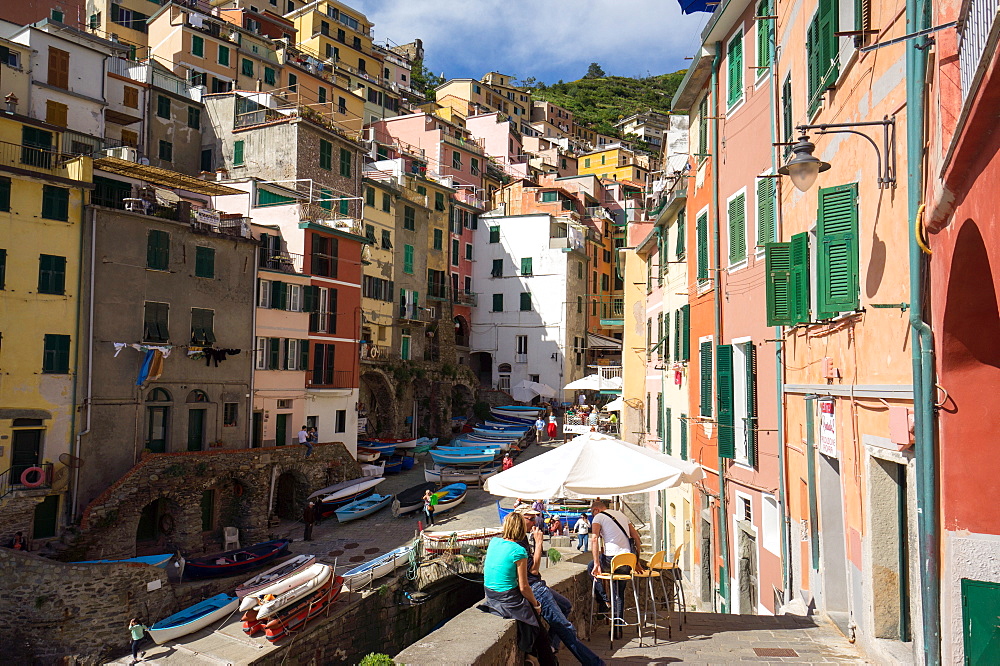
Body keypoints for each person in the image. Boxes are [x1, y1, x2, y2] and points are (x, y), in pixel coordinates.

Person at [519, 515, 605, 666]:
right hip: (536, 588)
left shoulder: (523, 539)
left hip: (538, 585)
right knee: (566, 628)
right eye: (530, 518)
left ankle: (551, 646)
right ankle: (594, 663)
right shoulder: (519, 544)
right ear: (520, 520)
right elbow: (533, 570)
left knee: (566, 606)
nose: (535, 521)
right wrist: (539, 543)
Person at [481, 512, 554, 665]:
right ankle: (542, 659)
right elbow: (524, 586)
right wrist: (536, 604)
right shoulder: (518, 551)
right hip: (507, 597)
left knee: (530, 621)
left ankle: (531, 655)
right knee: (538, 626)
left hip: (490, 594)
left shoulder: (494, 542)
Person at [588, 498, 644, 634]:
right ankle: (617, 627)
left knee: (590, 567)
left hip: (611, 559)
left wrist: (596, 563)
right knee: (619, 593)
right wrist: (636, 561)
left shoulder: (599, 517)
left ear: (596, 510)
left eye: (592, 513)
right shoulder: (622, 515)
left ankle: (604, 601)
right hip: (627, 559)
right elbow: (636, 537)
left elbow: (594, 539)